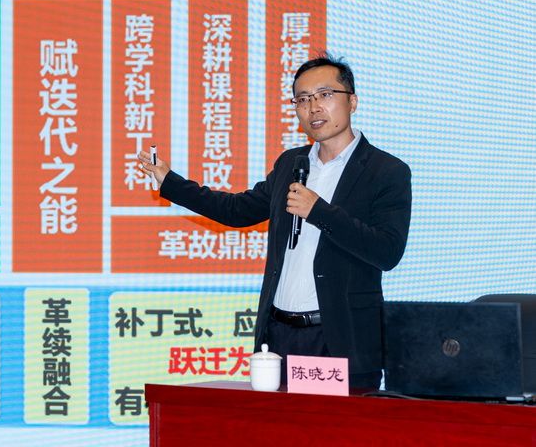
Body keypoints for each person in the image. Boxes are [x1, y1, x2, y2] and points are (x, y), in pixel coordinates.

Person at [138, 56, 412, 388]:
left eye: (325, 95)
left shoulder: (386, 171)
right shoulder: (291, 164)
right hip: (279, 339)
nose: (313, 107)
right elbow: (237, 210)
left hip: (339, 340)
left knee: (331, 424)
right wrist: (171, 183)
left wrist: (318, 211)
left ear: (352, 101)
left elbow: (387, 251)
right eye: (302, 99)